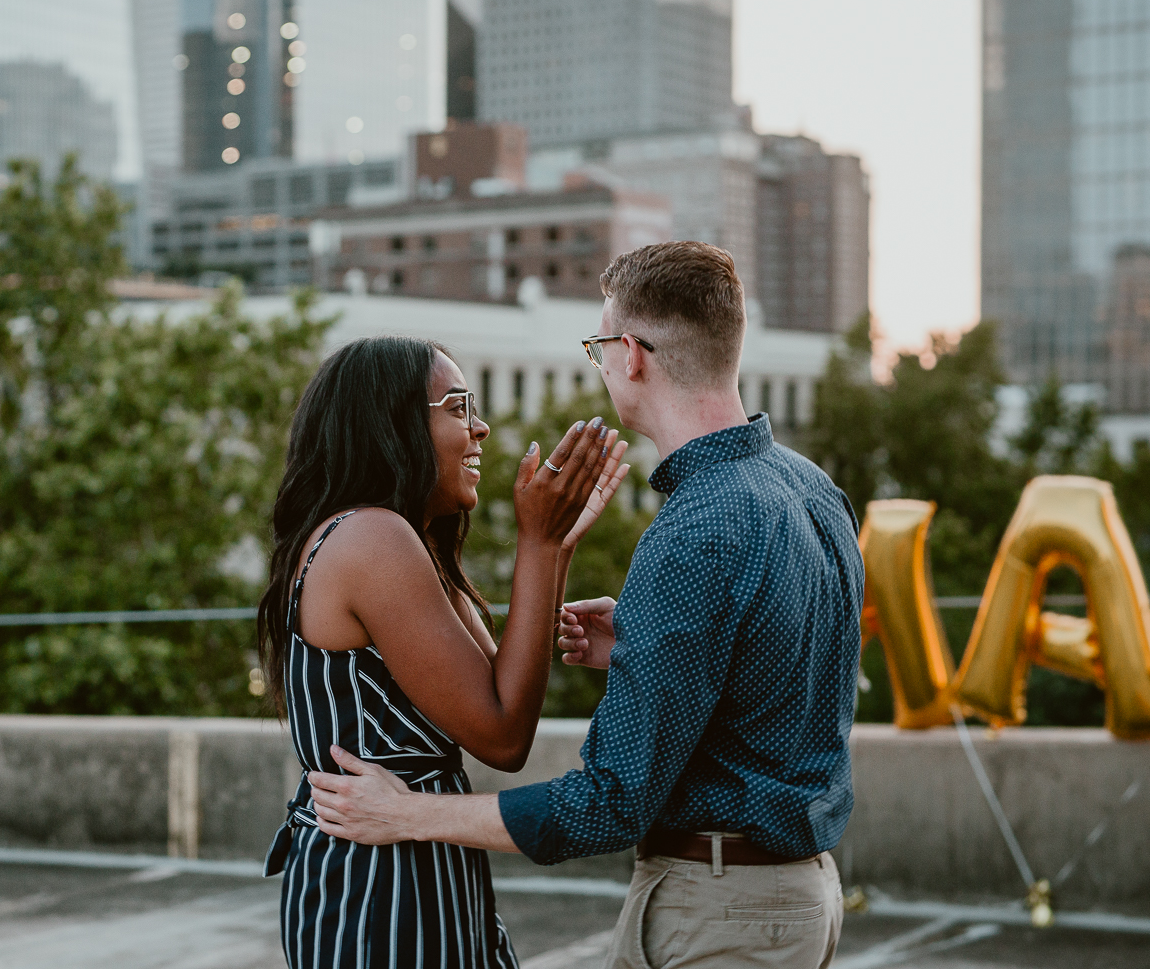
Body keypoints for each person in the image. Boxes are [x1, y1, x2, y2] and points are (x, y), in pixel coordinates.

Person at [305, 243, 865, 969]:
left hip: (721, 910)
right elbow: (791, 665)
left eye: (601, 347)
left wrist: (410, 814)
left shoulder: (698, 527)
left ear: (630, 354)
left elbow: (609, 801)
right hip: (804, 897)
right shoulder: (813, 488)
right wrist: (645, 644)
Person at [258, 335, 633, 969]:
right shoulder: (372, 537)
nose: (481, 428)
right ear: (393, 422)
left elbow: (499, 694)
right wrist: (536, 546)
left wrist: (555, 545)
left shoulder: (404, 539)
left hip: (408, 861)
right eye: (458, 406)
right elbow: (504, 736)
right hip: (379, 888)